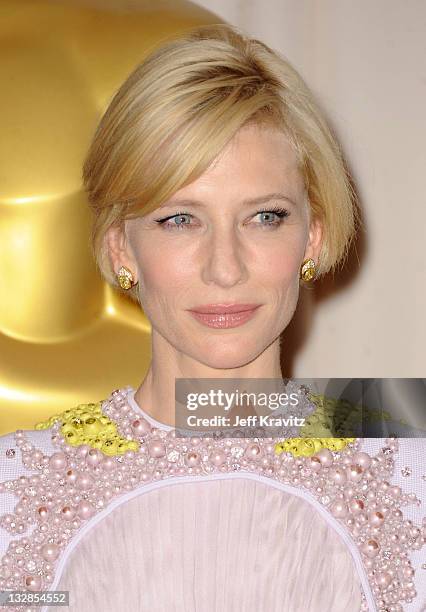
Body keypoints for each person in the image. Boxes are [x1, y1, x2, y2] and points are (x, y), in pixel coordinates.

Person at [0, 23, 424, 612]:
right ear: (121, 247)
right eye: (180, 219)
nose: (225, 269)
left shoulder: (407, 478)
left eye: (265, 217)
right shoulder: (16, 492)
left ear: (313, 236)